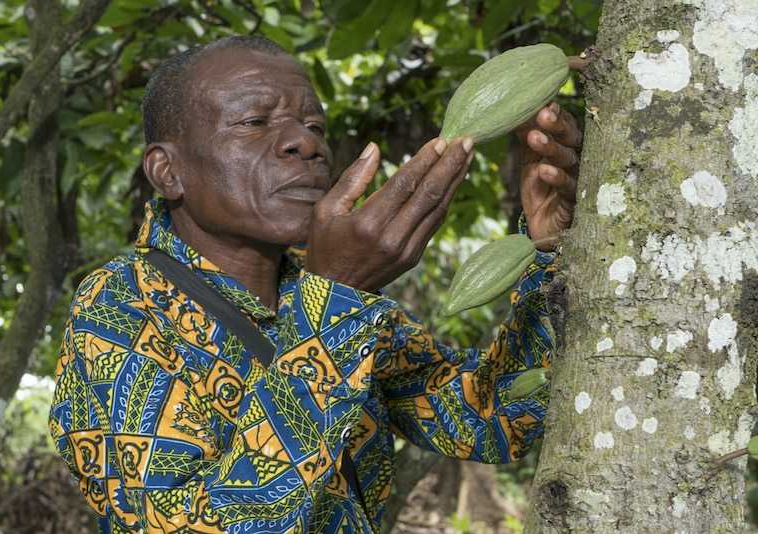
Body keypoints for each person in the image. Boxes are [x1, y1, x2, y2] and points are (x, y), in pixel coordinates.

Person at [49, 35, 581, 533]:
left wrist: (547, 249)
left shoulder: (316, 288)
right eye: (255, 121)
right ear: (168, 172)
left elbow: (496, 415)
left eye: (315, 128)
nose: (304, 144)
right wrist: (338, 296)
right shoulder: (120, 306)